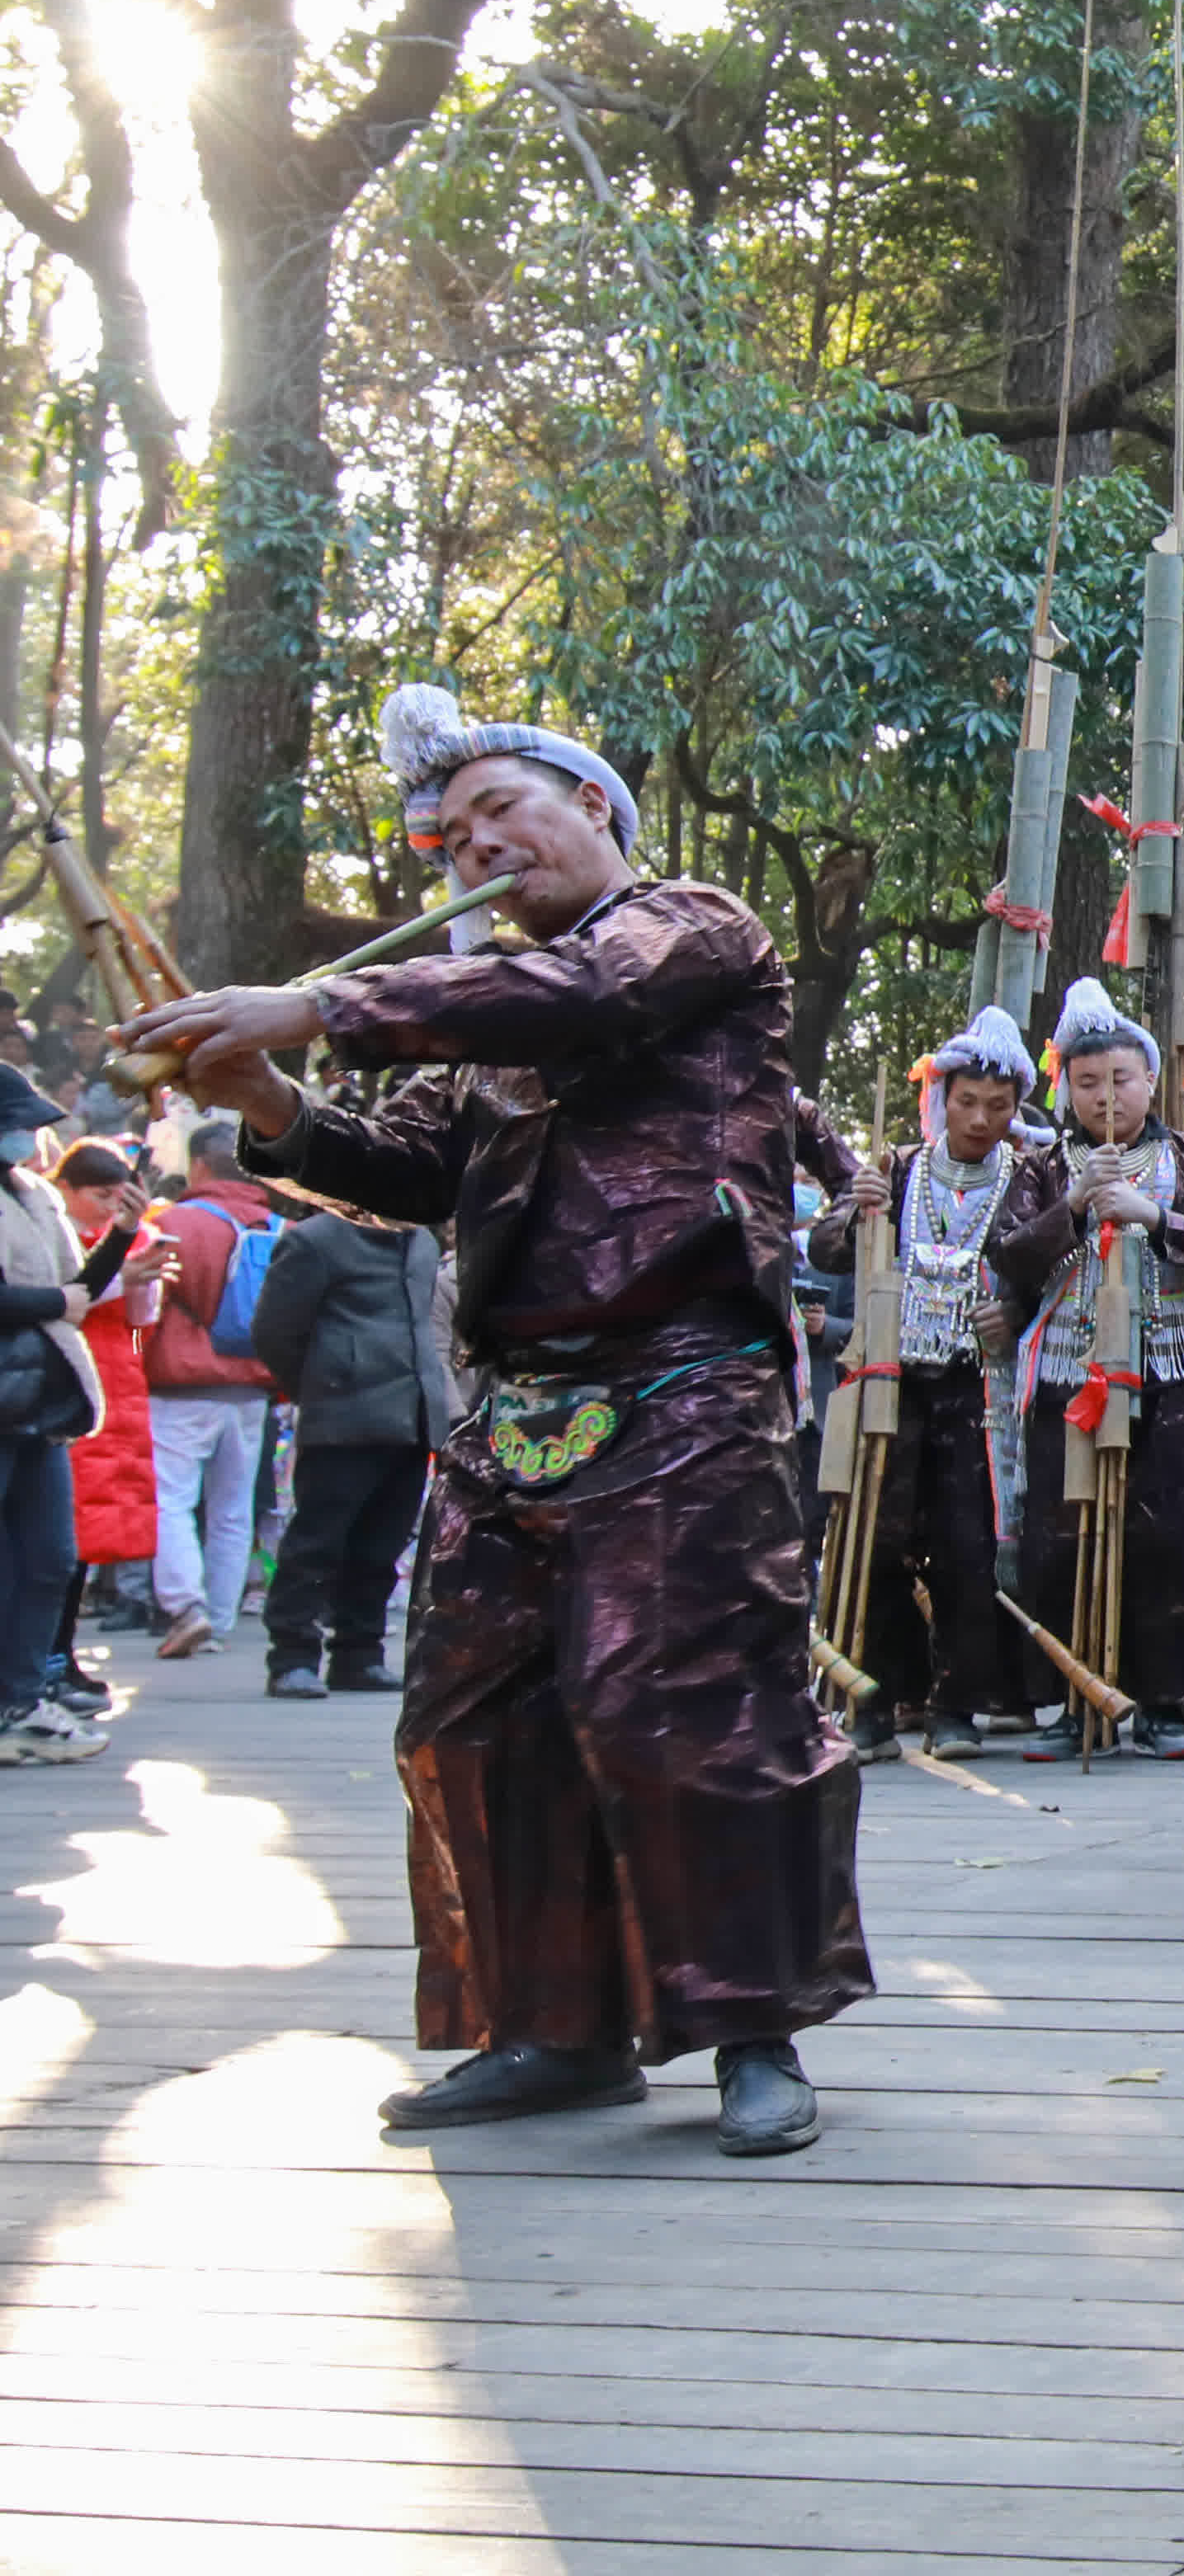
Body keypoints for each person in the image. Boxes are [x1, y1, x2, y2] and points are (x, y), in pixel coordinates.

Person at [112, 681, 865, 2156]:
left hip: (685, 1383)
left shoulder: (690, 928)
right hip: (517, 1407)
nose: (472, 856)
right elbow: (400, 1165)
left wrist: (321, 1003)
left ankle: (746, 2027)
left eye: (496, 817)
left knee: (683, 1703)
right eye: (447, 846)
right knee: (471, 1715)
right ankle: (553, 2026)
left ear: (593, 806)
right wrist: (269, 1096)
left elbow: (585, 996)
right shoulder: (484, 1028)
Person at [995, 977, 1184, 1759]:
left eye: (1120, 1080)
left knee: (1173, 1531)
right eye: (1086, 1082)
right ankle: (1071, 1699)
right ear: (1063, 1087)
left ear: (1151, 1080)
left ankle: (1167, 1700)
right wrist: (1072, 1206)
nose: (1105, 1097)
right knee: (1064, 1531)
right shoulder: (1041, 1166)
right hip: (1071, 1368)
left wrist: (1155, 1216)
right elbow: (1011, 1253)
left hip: (1171, 1364)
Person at [811, 1006, 1038, 1760]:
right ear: (941, 1099)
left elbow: (1046, 1269)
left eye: (998, 1107)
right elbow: (828, 1251)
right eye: (967, 1102)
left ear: (1016, 1110)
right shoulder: (899, 1167)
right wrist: (857, 1214)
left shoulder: (1024, 1178)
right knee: (875, 1540)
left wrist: (1011, 1311)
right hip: (890, 1386)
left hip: (976, 1393)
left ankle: (958, 1708)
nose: (980, 1119)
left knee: (966, 1550)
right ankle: (873, 1704)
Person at [247, 1201, 448, 1697]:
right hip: (343, 1413)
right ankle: (292, 1655)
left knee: (383, 1544)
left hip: (412, 1414)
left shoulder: (421, 1241)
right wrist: (321, 1383)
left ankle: (359, 1654)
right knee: (317, 1541)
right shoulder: (315, 1241)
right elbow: (275, 1331)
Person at [0, 1070, 114, 1767]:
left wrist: (125, 1235)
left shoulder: (37, 1195)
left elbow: (79, 1294)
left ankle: (19, 1702)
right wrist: (53, 1305)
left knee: (49, 1560)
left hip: (42, 1404)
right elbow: (58, 1301)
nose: (32, 1137)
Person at [139, 1115, 280, 1659]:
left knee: (172, 1499)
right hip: (251, 1385)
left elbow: (145, 1310)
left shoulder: (174, 1222)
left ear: (197, 1165)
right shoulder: (275, 1226)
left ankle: (186, 1606)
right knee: (233, 1506)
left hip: (181, 1383)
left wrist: (132, 1359)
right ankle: (219, 1621)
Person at [54, 1142, 167, 1702]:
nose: (107, 1208)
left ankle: (59, 1654)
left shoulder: (126, 1236)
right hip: (70, 1388)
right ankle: (50, 1657)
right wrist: (124, 1273)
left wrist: (142, 1279)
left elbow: (138, 1321)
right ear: (67, 1189)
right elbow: (72, 1297)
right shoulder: (53, 1232)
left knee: (81, 1540)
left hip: (113, 1388)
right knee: (59, 1542)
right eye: (100, 1196)